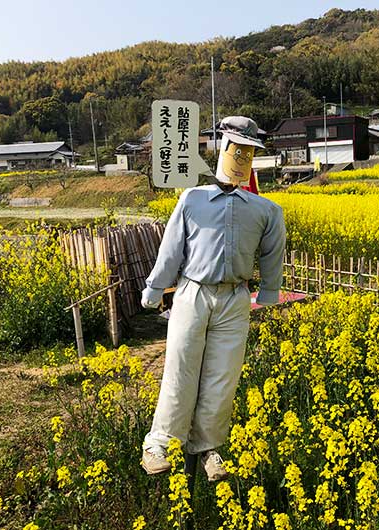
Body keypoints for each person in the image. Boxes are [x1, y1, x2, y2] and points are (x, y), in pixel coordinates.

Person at [139, 116, 286, 481]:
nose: (241, 156)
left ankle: (206, 447)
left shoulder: (266, 211)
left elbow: (272, 254)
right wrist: (156, 288)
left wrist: (269, 292)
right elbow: (171, 249)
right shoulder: (193, 200)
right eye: (236, 149)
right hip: (193, 292)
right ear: (222, 148)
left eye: (248, 151)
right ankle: (159, 442)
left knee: (223, 375)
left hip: (235, 298)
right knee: (180, 366)